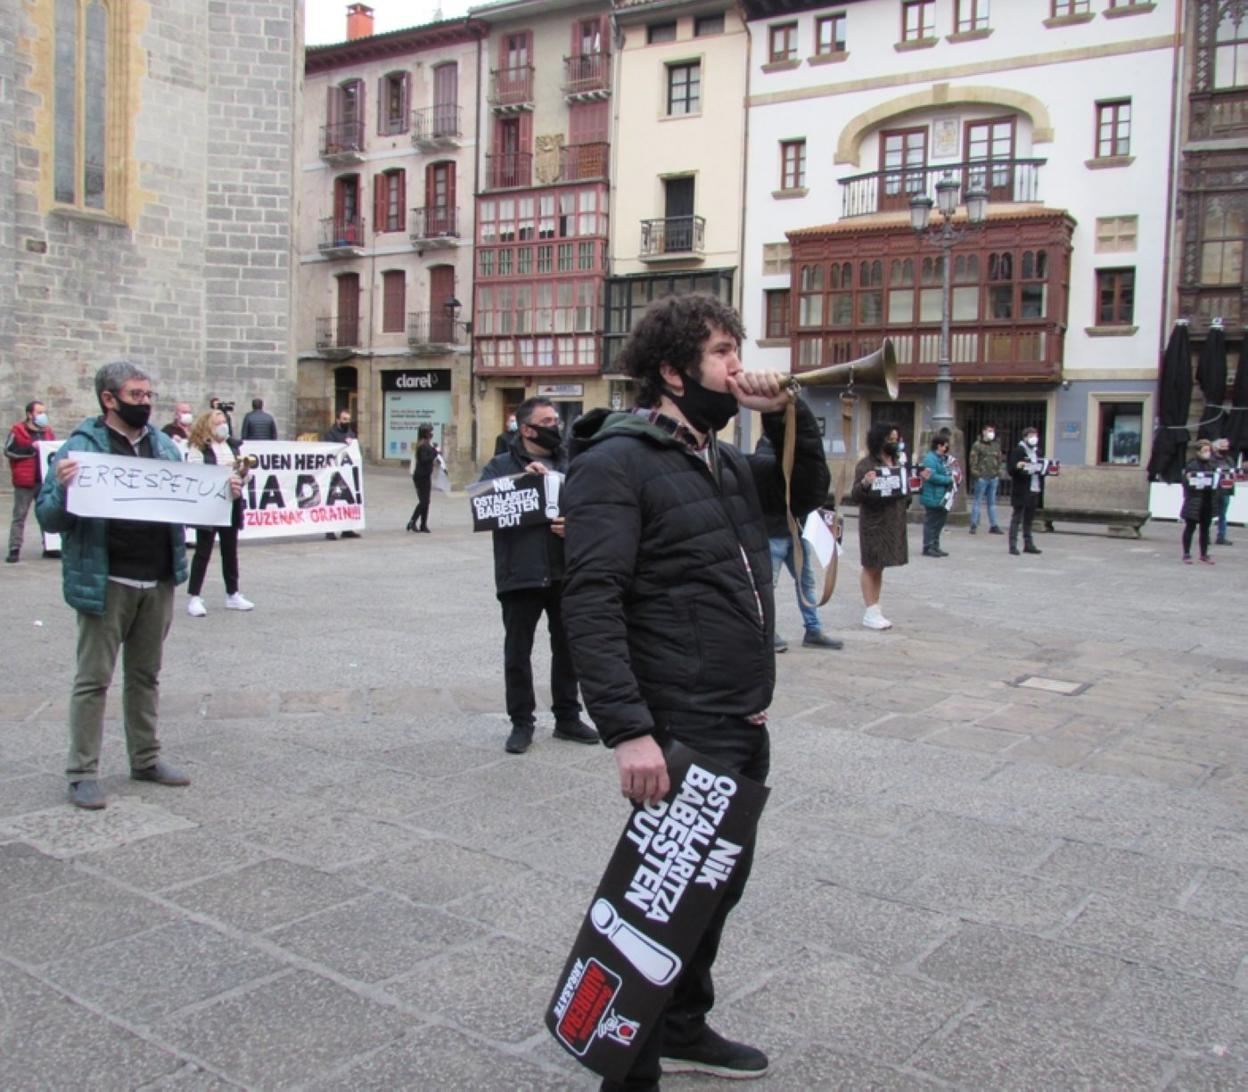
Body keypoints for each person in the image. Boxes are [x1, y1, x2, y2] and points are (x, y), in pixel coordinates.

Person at [561, 294, 829, 1088]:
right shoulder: (618, 462)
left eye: (736, 350)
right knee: (660, 908)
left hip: (739, 718)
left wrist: (787, 418)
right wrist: (628, 731)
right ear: (673, 373)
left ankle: (682, 1026)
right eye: (720, 353)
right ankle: (629, 1068)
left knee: (713, 891)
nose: (738, 367)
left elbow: (799, 496)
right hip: (682, 723)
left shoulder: (719, 459)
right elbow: (591, 600)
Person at [36, 362, 242, 810]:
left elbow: (190, 501)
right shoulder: (80, 447)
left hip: (157, 579)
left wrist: (222, 493)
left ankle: (145, 759)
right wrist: (64, 489)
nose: (145, 403)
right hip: (106, 581)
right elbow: (49, 518)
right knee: (93, 680)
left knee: (145, 676)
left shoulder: (163, 446)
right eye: (136, 395)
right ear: (109, 399)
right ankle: (82, 772)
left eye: (149, 395)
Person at [478, 397, 598, 754]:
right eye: (547, 421)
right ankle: (521, 722)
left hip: (565, 572)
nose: (555, 426)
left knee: (568, 650)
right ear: (527, 429)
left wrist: (576, 525)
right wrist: (520, 483)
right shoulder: (500, 465)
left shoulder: (572, 463)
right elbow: (482, 507)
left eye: (556, 420)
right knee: (518, 653)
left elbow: (594, 508)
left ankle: (567, 717)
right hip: (521, 573)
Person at [754, 436, 841, 652]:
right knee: (767, 585)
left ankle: (813, 629)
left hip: (796, 531)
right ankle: (766, 631)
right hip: (773, 531)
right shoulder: (766, 450)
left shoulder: (796, 450)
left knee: (806, 582)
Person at [184, 409, 255, 617]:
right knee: (203, 551)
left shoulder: (232, 446)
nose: (222, 426)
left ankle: (233, 593)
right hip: (210, 505)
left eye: (224, 421)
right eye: (218, 422)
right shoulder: (199, 447)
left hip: (230, 503)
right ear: (208, 425)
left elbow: (243, 477)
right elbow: (196, 473)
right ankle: (195, 596)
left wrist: (243, 474)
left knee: (230, 550)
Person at [851, 422, 911, 630]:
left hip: (893, 523)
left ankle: (875, 607)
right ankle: (870, 610)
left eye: (896, 439)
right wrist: (865, 484)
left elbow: (905, 491)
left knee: (880, 566)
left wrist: (916, 481)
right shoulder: (866, 464)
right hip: (874, 523)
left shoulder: (898, 462)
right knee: (871, 565)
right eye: (890, 439)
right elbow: (855, 494)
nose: (894, 443)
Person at [6, 400, 55, 563]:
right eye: (39, 412)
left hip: (43, 480)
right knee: (19, 516)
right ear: (29, 414)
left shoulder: (47, 432)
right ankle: (14, 548)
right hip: (24, 481)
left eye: (44, 412)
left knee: (47, 514)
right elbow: (9, 451)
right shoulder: (17, 430)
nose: (43, 415)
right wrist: (31, 449)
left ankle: (50, 547)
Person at [322, 410, 360, 539]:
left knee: (349, 501)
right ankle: (329, 530)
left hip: (348, 473)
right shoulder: (330, 434)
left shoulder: (351, 433)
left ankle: (347, 528)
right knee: (331, 502)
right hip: (335, 474)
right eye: (344, 419)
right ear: (338, 420)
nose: (346, 422)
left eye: (348, 419)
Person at [1008, 425, 1045, 556]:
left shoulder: (1037, 451)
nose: (1034, 438)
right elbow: (1011, 469)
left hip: (1034, 488)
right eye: (1031, 436)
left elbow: (1041, 467)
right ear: (1025, 437)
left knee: (1029, 519)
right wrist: (1018, 466)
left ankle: (1028, 544)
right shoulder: (1018, 451)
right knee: (1017, 518)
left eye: (1035, 435)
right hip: (1022, 489)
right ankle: (1013, 545)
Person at [1181, 438, 1218, 565]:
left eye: (1209, 450)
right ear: (1198, 452)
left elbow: (1217, 481)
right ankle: (1186, 553)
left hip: (1208, 501)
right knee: (1190, 528)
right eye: (1205, 450)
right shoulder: (1192, 465)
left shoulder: (1212, 465)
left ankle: (1204, 554)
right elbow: (1187, 483)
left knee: (1205, 529)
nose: (1208, 453)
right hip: (1194, 501)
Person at [919, 433, 955, 558]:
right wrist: (949, 480)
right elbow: (931, 476)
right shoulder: (930, 459)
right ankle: (928, 546)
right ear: (939, 446)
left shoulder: (942, 459)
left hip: (940, 495)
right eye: (945, 446)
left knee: (939, 522)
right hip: (932, 495)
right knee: (931, 522)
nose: (946, 448)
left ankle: (935, 545)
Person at [968, 423, 1004, 534]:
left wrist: (998, 473)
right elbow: (973, 461)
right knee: (977, 501)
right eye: (989, 430)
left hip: (993, 477)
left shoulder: (996, 445)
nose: (991, 433)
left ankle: (994, 525)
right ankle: (973, 524)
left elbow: (1000, 460)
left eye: (992, 431)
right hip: (982, 477)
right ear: (983, 432)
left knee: (992, 503)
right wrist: (977, 475)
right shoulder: (977, 445)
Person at [407, 424, 437, 533]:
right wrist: (435, 452)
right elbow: (424, 459)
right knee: (424, 501)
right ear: (425, 433)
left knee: (426, 501)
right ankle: (412, 521)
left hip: (426, 475)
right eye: (429, 432)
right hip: (421, 476)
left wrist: (433, 449)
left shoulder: (426, 443)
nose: (431, 434)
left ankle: (423, 524)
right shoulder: (422, 445)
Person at [1213, 437, 1235, 546]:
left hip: (1226, 491)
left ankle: (1221, 536)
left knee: (1223, 515)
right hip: (1214, 491)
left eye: (1227, 446)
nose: (1225, 448)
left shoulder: (1229, 460)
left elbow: (1233, 473)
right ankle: (1205, 536)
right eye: (1223, 446)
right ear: (1216, 448)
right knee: (1209, 514)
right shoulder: (1211, 460)